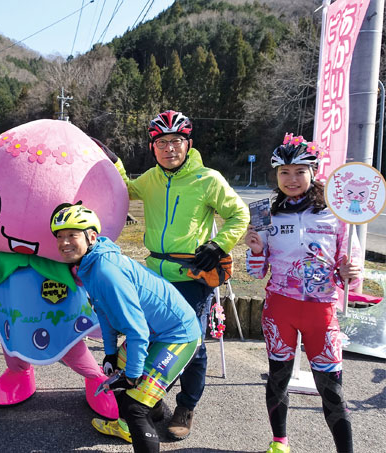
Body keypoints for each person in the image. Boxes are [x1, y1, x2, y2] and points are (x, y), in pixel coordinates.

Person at [123, 110, 249, 439]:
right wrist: (108, 161)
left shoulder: (207, 178)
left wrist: (219, 245)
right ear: (153, 147)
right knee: (149, 335)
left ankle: (186, 405)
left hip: (193, 276)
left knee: (191, 344)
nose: (169, 148)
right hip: (155, 275)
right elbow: (124, 189)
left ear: (188, 144)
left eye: (176, 141)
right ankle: (151, 400)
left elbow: (239, 213)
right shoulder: (149, 179)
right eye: (161, 142)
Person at [50, 204, 201, 453]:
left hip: (177, 335)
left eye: (72, 235)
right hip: (154, 331)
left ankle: (141, 416)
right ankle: (153, 413)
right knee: (118, 377)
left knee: (134, 407)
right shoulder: (89, 264)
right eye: (59, 236)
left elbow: (137, 330)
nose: (64, 242)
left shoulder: (105, 271)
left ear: (91, 237)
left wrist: (132, 374)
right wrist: (110, 353)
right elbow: (104, 312)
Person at [244, 135, 362, 453]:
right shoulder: (265, 214)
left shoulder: (337, 215)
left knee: (332, 389)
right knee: (278, 379)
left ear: (314, 172)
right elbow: (256, 273)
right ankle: (280, 442)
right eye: (284, 172)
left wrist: (350, 275)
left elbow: (349, 276)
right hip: (279, 310)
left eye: (299, 171)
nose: (292, 179)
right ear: (276, 175)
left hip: (321, 312)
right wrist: (255, 250)